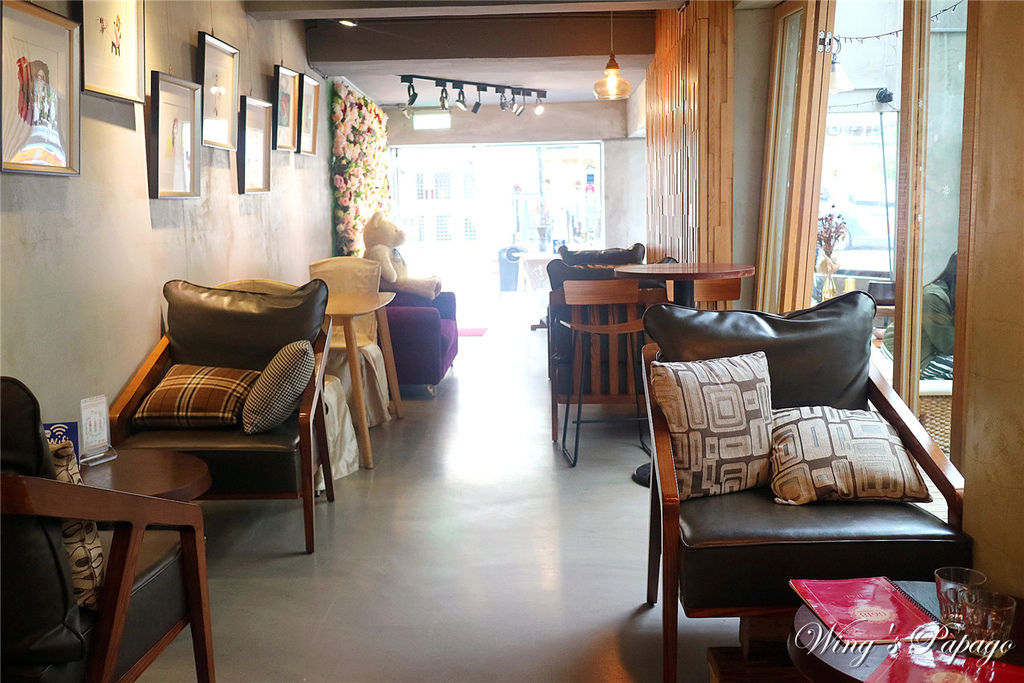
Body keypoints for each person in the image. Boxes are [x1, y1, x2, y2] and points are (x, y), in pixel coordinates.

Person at [882, 252, 956, 380]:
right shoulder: (933, 297)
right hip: (904, 355)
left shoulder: (945, 293)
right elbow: (948, 345)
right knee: (971, 367)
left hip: (922, 352)